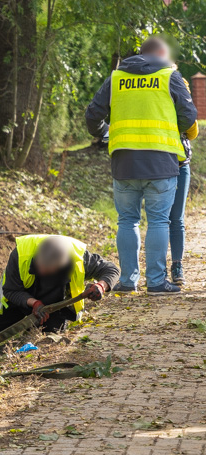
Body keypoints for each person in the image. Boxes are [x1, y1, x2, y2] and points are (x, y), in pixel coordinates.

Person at [85, 36, 197, 295]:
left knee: (127, 221)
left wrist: (105, 133)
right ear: (160, 53)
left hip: (124, 163)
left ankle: (127, 281)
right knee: (158, 221)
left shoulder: (116, 78)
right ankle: (156, 282)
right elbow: (189, 116)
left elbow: (93, 115)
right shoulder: (169, 76)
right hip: (161, 161)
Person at [0, 235, 120, 344]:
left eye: (48, 270)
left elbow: (111, 269)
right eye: (40, 266)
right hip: (16, 302)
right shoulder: (20, 255)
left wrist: (101, 286)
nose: (42, 271)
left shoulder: (79, 259)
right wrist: (34, 303)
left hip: (53, 309)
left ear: (61, 264)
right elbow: (11, 290)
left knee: (45, 343)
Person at [170, 75, 199, 285]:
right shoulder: (181, 84)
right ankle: (176, 267)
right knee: (175, 219)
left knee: (165, 219)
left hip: (174, 161)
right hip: (178, 159)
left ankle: (166, 268)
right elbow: (192, 129)